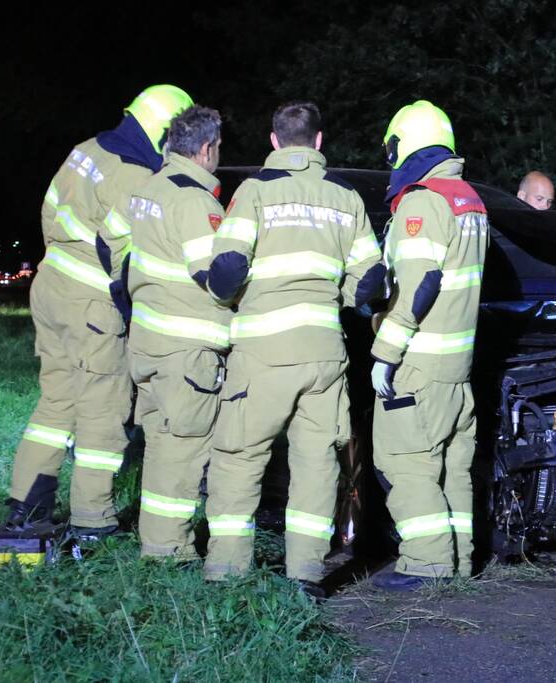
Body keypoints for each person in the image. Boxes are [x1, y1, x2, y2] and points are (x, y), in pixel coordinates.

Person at [203, 102, 384, 596]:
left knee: (239, 457)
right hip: (324, 353)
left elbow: (225, 272)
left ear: (275, 141)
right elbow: (370, 279)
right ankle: (305, 576)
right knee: (317, 464)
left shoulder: (256, 191)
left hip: (263, 352)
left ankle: (227, 574)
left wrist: (231, 300)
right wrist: (341, 298)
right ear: (319, 142)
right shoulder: (345, 197)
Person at [4, 85, 193, 539]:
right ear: (166, 130)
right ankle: (93, 520)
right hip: (92, 302)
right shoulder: (134, 177)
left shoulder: (86, 150)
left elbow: (50, 213)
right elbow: (123, 255)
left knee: (56, 401)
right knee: (102, 412)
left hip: (51, 287)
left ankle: (26, 507)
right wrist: (133, 311)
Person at [100, 106, 229, 559]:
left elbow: (108, 241)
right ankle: (169, 552)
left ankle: (155, 543)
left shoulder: (145, 190)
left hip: (148, 344)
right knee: (185, 449)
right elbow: (214, 277)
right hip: (186, 352)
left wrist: (128, 292)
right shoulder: (195, 200)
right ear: (207, 149)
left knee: (160, 445)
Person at [369, 100, 489, 591]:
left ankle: (426, 564)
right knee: (452, 469)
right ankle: (459, 561)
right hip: (457, 368)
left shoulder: (423, 202)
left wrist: (385, 353)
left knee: (405, 462)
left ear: (405, 145)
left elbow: (420, 285)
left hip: (419, 362)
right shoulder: (469, 200)